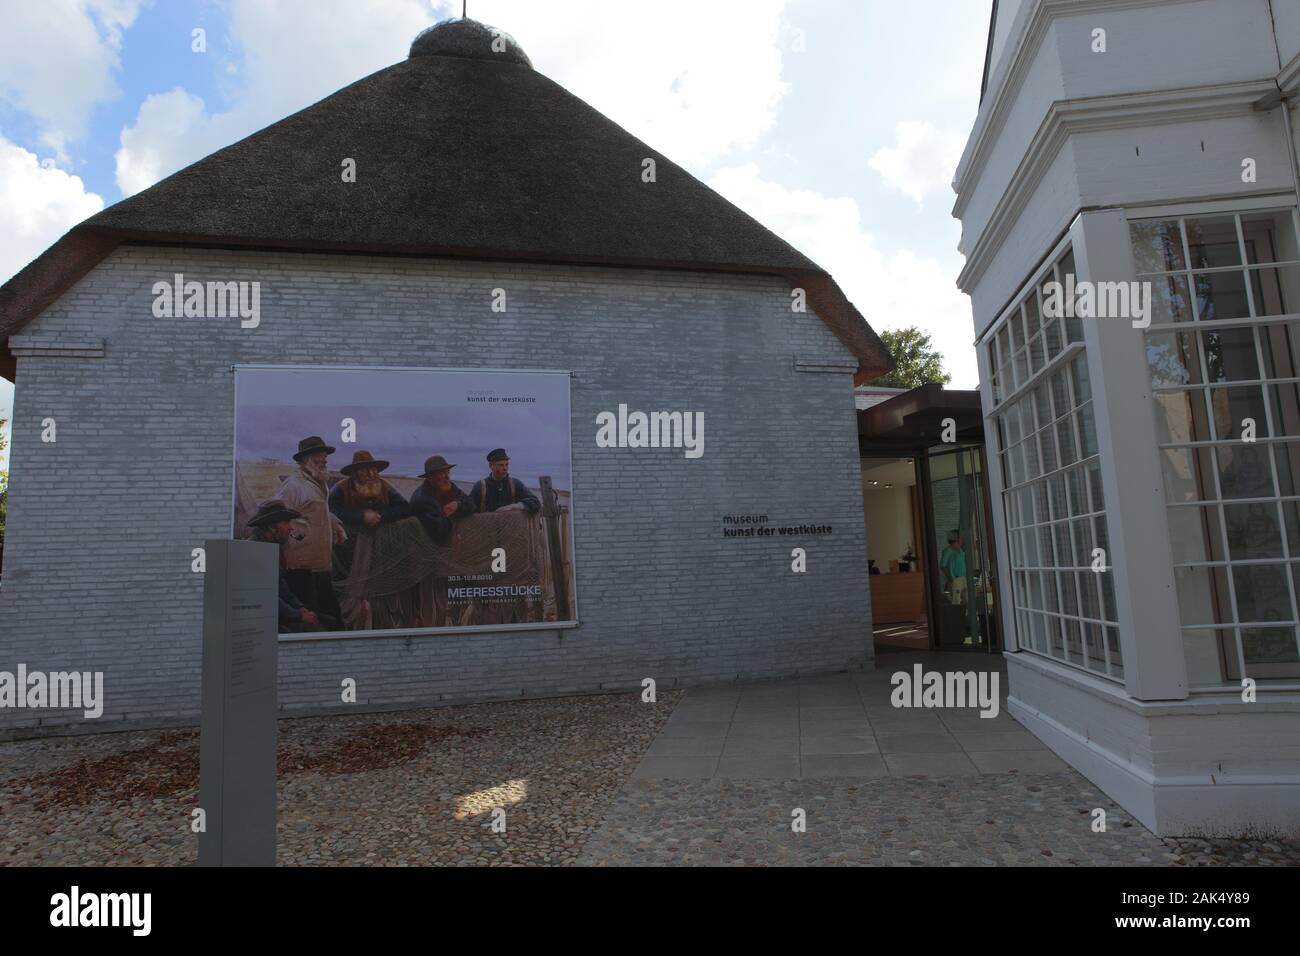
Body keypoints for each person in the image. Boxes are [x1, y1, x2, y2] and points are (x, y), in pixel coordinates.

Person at [275, 435, 346, 626]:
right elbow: (277, 518)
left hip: (319, 564)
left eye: (324, 458)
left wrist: (335, 525)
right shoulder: (293, 486)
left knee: (329, 615)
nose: (323, 461)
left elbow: (319, 511)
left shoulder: (317, 482)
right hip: (301, 567)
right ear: (305, 460)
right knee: (311, 617)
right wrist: (298, 537)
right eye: (318, 458)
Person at [246, 499, 325, 633]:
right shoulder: (254, 551)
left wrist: (299, 608)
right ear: (271, 527)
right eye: (285, 522)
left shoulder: (271, 548)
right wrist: (298, 615)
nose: (290, 528)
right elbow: (264, 595)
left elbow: (281, 587)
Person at [328, 450, 410, 534]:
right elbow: (331, 511)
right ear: (354, 473)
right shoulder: (341, 488)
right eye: (364, 471)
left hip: (381, 532)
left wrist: (380, 515)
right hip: (350, 535)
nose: (371, 475)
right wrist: (361, 516)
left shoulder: (384, 486)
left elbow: (404, 507)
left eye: (373, 470)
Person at [410, 454, 474, 542]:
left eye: (448, 472)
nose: (447, 477)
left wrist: (457, 505)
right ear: (430, 477)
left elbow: (471, 504)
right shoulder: (422, 499)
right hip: (429, 549)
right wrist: (458, 515)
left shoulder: (448, 487)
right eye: (442, 473)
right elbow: (440, 531)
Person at [469, 448, 540, 515]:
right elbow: (469, 507)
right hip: (487, 526)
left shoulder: (515, 483)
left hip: (511, 526)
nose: (505, 468)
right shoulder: (480, 486)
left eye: (506, 464)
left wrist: (516, 506)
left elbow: (535, 502)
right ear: (491, 466)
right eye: (500, 465)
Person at [941, 529, 968, 606]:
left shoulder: (961, 550)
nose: (962, 538)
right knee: (956, 601)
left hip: (964, 578)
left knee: (967, 600)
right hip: (956, 579)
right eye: (960, 537)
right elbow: (942, 565)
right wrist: (951, 578)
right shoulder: (949, 551)